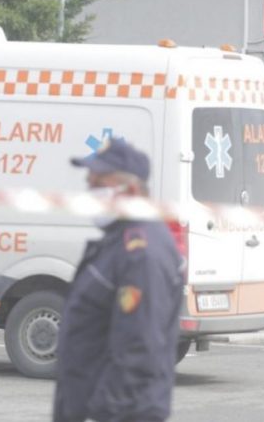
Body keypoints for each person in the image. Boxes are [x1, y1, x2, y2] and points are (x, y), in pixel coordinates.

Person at [53, 139, 184, 422]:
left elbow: (139, 348)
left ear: (132, 191)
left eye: (99, 184)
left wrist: (102, 413)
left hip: (120, 413)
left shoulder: (142, 253)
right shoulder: (118, 242)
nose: (90, 192)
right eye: (89, 183)